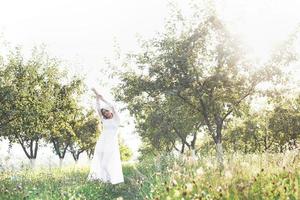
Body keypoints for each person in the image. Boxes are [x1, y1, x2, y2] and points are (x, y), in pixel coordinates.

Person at [87, 88, 124, 184]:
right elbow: (98, 109)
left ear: (110, 111)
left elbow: (112, 106)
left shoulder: (116, 119)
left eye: (106, 111)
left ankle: (110, 180)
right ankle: (104, 181)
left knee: (104, 164)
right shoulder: (104, 120)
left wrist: (103, 99)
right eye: (104, 112)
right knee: (100, 163)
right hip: (102, 142)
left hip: (111, 144)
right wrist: (97, 98)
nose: (105, 113)